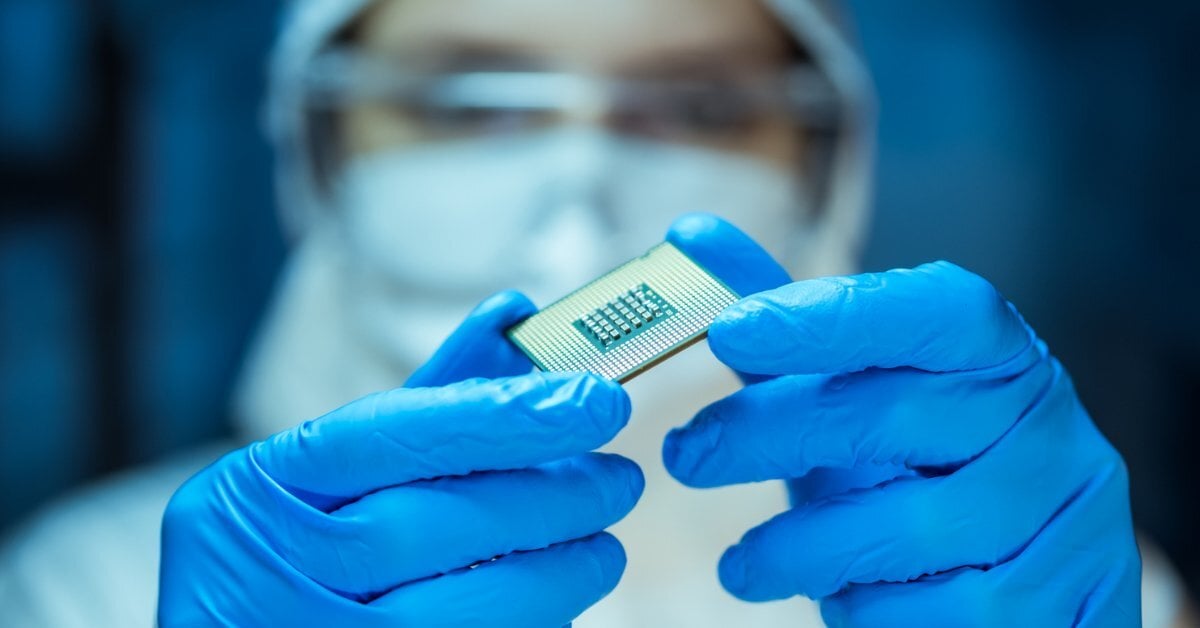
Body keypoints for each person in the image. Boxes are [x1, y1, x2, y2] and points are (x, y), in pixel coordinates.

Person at [0, 0, 1192, 625]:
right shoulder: (107, 588)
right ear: (313, 152)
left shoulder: (1021, 569)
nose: (578, 214)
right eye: (467, 105)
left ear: (835, 161)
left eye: (700, 109)